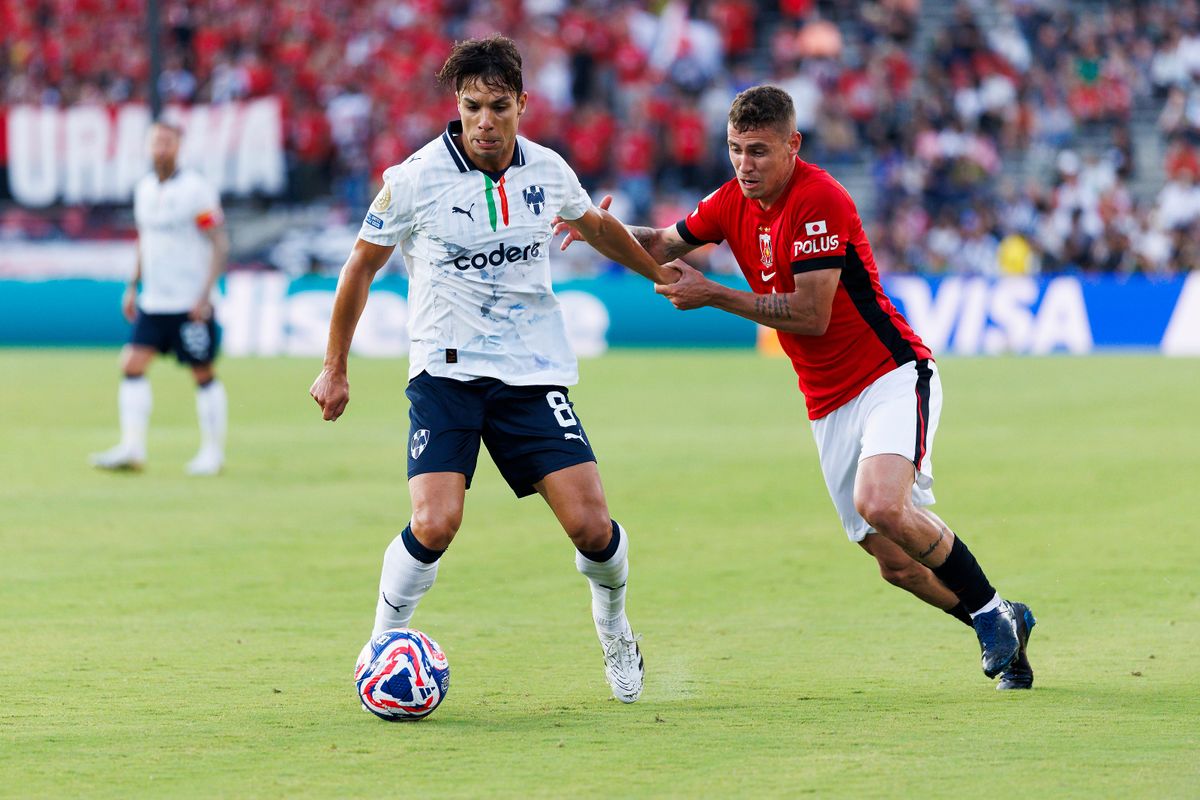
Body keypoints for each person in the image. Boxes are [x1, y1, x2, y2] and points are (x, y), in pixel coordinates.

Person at [562, 85, 1036, 690]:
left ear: (794, 145)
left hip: (890, 373)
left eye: (758, 151)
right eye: (735, 149)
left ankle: (991, 612)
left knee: (882, 504)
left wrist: (714, 294)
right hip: (827, 402)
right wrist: (598, 225)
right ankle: (1002, 623)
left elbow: (811, 314)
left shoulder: (820, 201)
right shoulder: (731, 199)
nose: (744, 164)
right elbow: (659, 243)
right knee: (895, 565)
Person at [309, 35, 679, 703]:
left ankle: (616, 628)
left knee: (594, 529)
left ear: (522, 106)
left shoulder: (548, 170)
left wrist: (661, 273)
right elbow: (360, 266)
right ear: (457, 105)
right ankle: (379, 645)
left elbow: (594, 226)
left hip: (531, 372)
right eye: (473, 106)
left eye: (498, 107)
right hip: (444, 372)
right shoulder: (413, 179)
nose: (485, 121)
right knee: (434, 524)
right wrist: (334, 367)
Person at [91, 121, 229, 476]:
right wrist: (132, 285)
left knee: (203, 372)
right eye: (155, 142)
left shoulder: (196, 190)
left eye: (167, 142)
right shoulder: (144, 189)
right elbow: (144, 240)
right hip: (154, 301)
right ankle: (132, 447)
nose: (161, 148)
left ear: (179, 146)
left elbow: (218, 242)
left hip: (189, 302)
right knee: (131, 364)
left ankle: (212, 453)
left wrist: (205, 295)